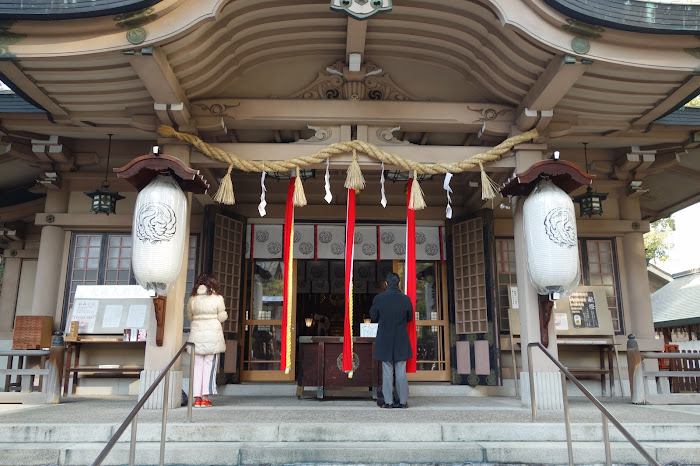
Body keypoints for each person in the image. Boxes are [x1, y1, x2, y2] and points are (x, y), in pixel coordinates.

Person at [370, 272, 414, 409]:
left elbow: (373, 316)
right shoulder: (406, 299)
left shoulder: (379, 298)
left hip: (385, 338)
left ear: (386, 284)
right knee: (401, 370)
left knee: (387, 370)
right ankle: (402, 401)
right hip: (401, 338)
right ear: (399, 284)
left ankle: (388, 401)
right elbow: (410, 318)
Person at [187, 273, 227, 407]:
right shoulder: (217, 298)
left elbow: (190, 316)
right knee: (209, 365)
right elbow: (222, 317)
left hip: (196, 333)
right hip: (212, 335)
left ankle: (197, 398)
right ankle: (205, 397)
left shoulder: (193, 299)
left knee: (197, 366)